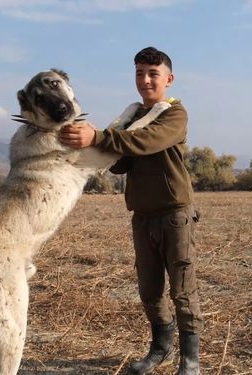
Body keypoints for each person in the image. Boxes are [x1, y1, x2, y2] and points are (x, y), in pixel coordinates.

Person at [59, 46, 204, 375]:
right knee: (149, 290)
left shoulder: (174, 115)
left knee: (182, 289)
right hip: (142, 216)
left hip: (174, 214)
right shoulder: (133, 118)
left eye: (153, 73)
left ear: (169, 78)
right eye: (139, 73)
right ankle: (161, 348)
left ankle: (190, 360)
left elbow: (146, 142)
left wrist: (99, 136)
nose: (145, 80)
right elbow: (120, 164)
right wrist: (93, 144)